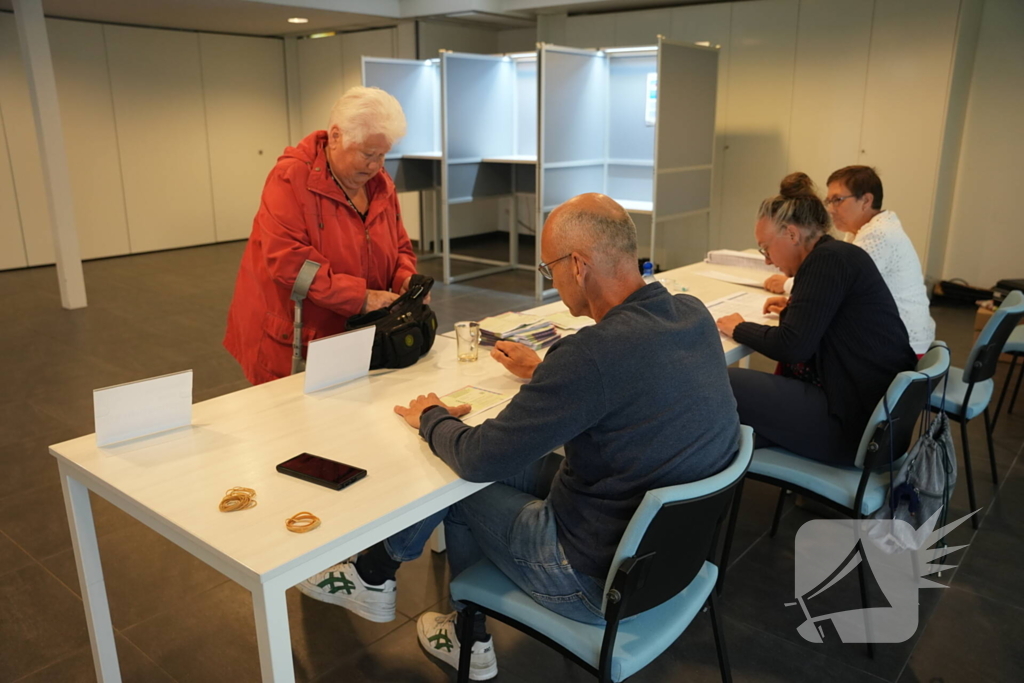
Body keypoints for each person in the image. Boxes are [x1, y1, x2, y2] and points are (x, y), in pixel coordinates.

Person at [297, 194, 741, 680]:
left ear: (578, 264)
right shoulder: (691, 314)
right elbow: (627, 379)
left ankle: (431, 614)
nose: (550, 280)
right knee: (504, 461)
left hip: (589, 581)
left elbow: (480, 459)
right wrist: (549, 372)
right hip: (670, 563)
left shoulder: (591, 354)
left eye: (550, 268)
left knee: (457, 479)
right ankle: (385, 581)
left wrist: (432, 417)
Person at [223, 86, 420, 384]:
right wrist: (362, 298)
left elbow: (400, 245)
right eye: (368, 154)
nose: (377, 166)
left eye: (383, 155)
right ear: (336, 137)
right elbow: (291, 265)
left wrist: (404, 278)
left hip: (357, 332)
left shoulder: (379, 183)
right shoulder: (290, 179)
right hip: (298, 336)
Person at [718, 173, 916, 465]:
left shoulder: (826, 261)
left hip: (854, 427)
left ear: (792, 234)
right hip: (876, 418)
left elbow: (792, 346)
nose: (767, 260)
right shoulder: (836, 255)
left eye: (766, 247)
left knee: (722, 381)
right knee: (741, 413)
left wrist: (739, 328)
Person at [763, 166, 935, 355]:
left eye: (838, 200)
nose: (831, 209)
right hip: (885, 336)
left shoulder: (879, 234)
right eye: (828, 201)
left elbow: (832, 284)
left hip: (904, 345)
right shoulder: (858, 232)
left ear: (866, 201)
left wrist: (788, 284)